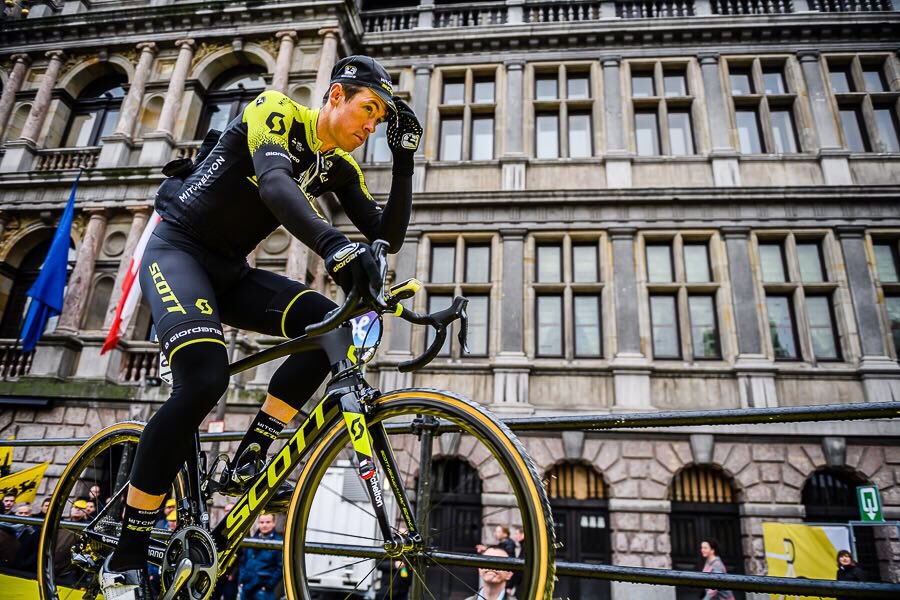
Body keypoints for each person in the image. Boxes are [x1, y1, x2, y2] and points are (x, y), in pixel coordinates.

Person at [98, 52, 421, 600]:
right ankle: (124, 557)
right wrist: (335, 247)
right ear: (336, 97)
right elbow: (275, 184)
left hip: (227, 271)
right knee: (205, 380)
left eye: (380, 122)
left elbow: (386, 232)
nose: (372, 127)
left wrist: (406, 162)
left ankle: (254, 449)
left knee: (330, 323)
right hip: (177, 250)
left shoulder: (340, 167)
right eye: (369, 111)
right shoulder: (274, 110)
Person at [238, 513, 283, 600]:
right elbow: (243, 561)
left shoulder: (279, 542)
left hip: (263, 591)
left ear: (274, 523)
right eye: (261, 522)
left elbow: (281, 567)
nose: (264, 525)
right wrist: (242, 580)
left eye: (268, 522)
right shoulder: (252, 540)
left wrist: (268, 585)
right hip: (246, 588)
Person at [507, 526, 525, 595]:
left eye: (516, 534)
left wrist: (510, 586)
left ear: (523, 534)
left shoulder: (525, 546)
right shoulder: (524, 545)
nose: (515, 536)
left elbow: (520, 568)